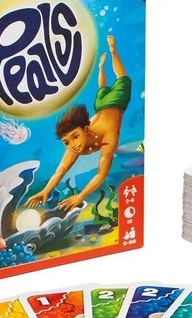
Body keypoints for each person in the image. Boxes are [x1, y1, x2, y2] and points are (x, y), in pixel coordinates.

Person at [26, 35, 131, 211]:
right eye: (66, 142)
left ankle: (113, 51)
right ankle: (101, 67)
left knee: (122, 77)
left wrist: (81, 196)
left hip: (116, 101)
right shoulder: (74, 146)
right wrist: (45, 190)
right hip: (100, 106)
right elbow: (61, 170)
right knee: (101, 89)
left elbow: (102, 173)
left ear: (86, 129)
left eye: (75, 137)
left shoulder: (109, 136)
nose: (73, 145)